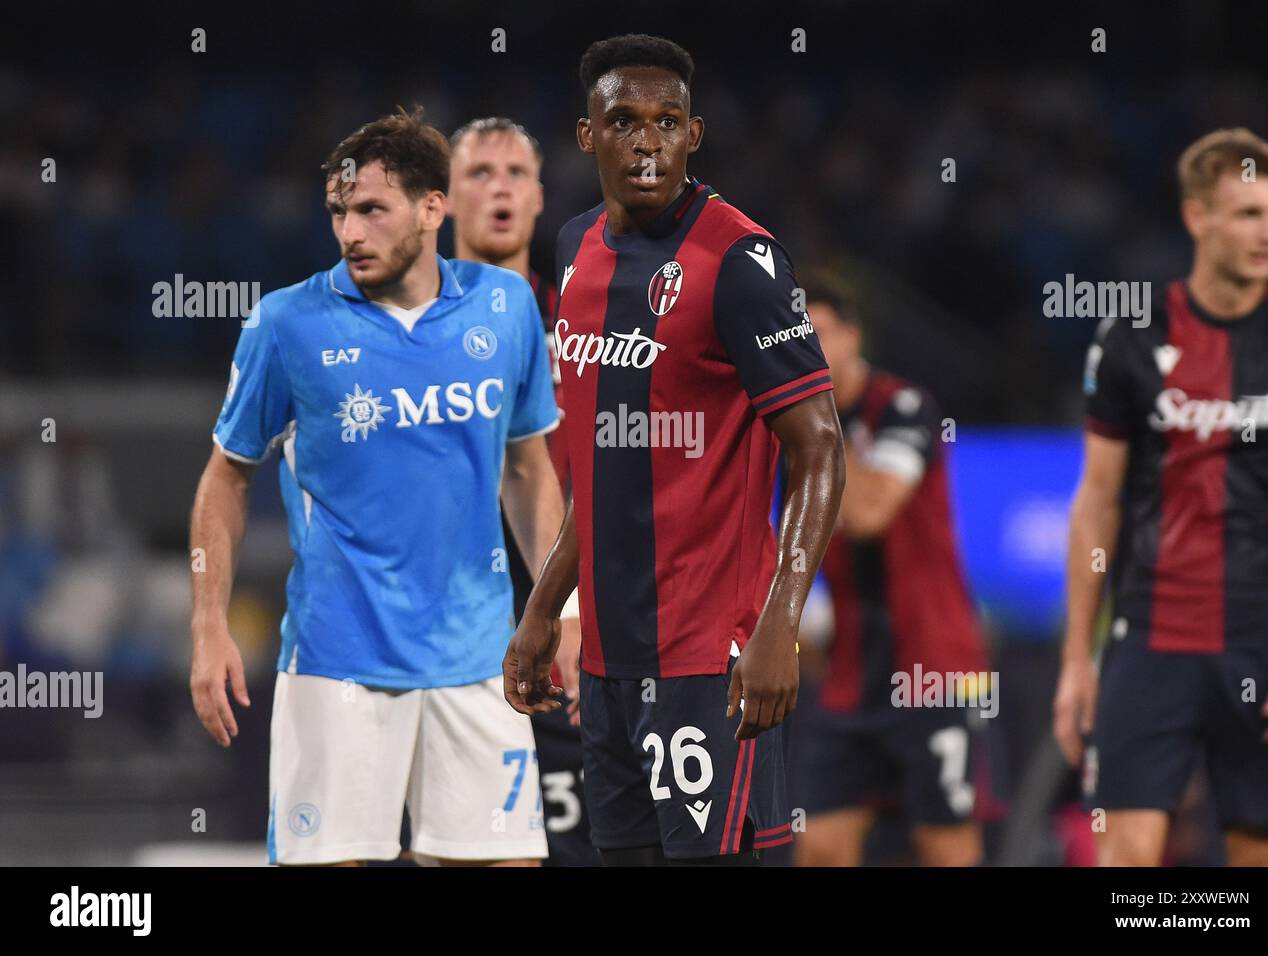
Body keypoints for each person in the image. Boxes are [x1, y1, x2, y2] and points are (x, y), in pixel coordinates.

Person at [502, 34, 845, 865]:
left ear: (694, 135)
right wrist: (545, 610)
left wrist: (778, 627)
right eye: (624, 121)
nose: (647, 140)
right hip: (610, 665)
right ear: (588, 136)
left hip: (709, 656)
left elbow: (821, 452)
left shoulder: (742, 260)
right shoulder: (574, 250)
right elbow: (599, 473)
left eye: (668, 122)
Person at [189, 106, 564, 866]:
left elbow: (527, 467)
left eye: (370, 210)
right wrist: (206, 623)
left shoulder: (506, 306)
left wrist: (565, 605)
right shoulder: (286, 323)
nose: (349, 232)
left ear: (433, 208)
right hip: (337, 662)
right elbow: (226, 477)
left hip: (479, 661)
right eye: (338, 212)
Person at [1054, 127, 1268, 867]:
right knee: (1128, 867)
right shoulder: (1132, 335)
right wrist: (1075, 656)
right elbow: (1096, 501)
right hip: (1151, 638)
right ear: (1198, 217)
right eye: (1248, 213)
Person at [792, 276, 990, 867]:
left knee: (943, 845)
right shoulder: (793, 429)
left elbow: (871, 512)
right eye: (794, 336)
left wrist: (815, 423)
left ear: (853, 335)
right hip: (854, 675)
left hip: (933, 669)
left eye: (818, 333)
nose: (804, 347)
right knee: (823, 848)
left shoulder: (905, 408)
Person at [447, 115, 598, 866]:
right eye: (479, 172)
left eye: (516, 174)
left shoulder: (589, 323)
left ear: (541, 198)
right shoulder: (400, 326)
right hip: (444, 642)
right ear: (439, 198)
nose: (499, 187)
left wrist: (568, 611)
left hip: (574, 633)